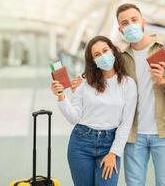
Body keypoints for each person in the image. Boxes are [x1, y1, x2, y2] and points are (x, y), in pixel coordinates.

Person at [116, 3, 165, 186]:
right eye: (125, 23)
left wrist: (164, 81)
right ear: (120, 29)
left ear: (143, 22)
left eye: (134, 20)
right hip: (133, 134)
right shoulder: (121, 58)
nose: (130, 25)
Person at [51, 35, 137, 186]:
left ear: (113, 51)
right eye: (97, 54)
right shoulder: (84, 82)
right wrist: (61, 97)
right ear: (93, 61)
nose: (103, 56)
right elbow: (74, 117)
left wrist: (113, 154)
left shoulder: (128, 84)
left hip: (109, 145)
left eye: (105, 50)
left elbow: (126, 123)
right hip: (81, 143)